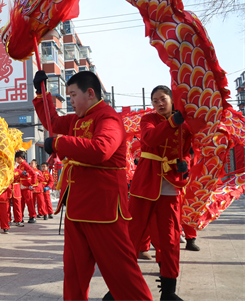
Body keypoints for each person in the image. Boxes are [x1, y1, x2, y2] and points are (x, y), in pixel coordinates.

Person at [33, 70, 152, 301]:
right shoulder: (77, 119)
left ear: (90, 93)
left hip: (103, 209)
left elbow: (101, 150)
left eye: (73, 95)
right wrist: (42, 93)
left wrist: (59, 142)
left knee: (121, 272)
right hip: (77, 207)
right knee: (74, 272)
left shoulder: (108, 118)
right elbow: (53, 122)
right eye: (68, 96)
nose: (70, 101)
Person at [128, 85, 192, 300]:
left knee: (171, 238)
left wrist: (186, 165)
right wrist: (174, 122)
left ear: (172, 99)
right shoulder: (148, 119)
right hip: (146, 182)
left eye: (162, 99)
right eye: (155, 101)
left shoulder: (186, 124)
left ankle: (169, 292)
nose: (159, 104)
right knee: (132, 235)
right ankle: (118, 286)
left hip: (171, 185)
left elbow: (188, 151)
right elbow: (150, 139)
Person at [17, 151, 37, 224]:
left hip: (27, 187)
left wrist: (32, 184)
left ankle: (32, 216)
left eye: (16, 159)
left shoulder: (26, 165)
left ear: (19, 158)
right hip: (20, 187)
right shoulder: (18, 166)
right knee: (20, 203)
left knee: (29, 202)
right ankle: (20, 217)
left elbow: (34, 174)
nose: (15, 160)